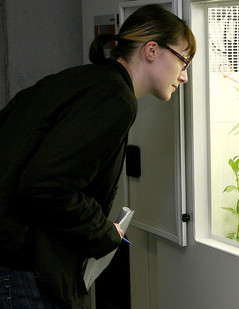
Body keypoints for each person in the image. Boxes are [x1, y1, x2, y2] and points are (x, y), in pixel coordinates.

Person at [0, 4, 195, 309]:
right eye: (184, 62)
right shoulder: (114, 99)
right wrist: (103, 231)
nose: (184, 77)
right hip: (26, 270)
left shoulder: (90, 81)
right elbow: (45, 186)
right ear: (152, 50)